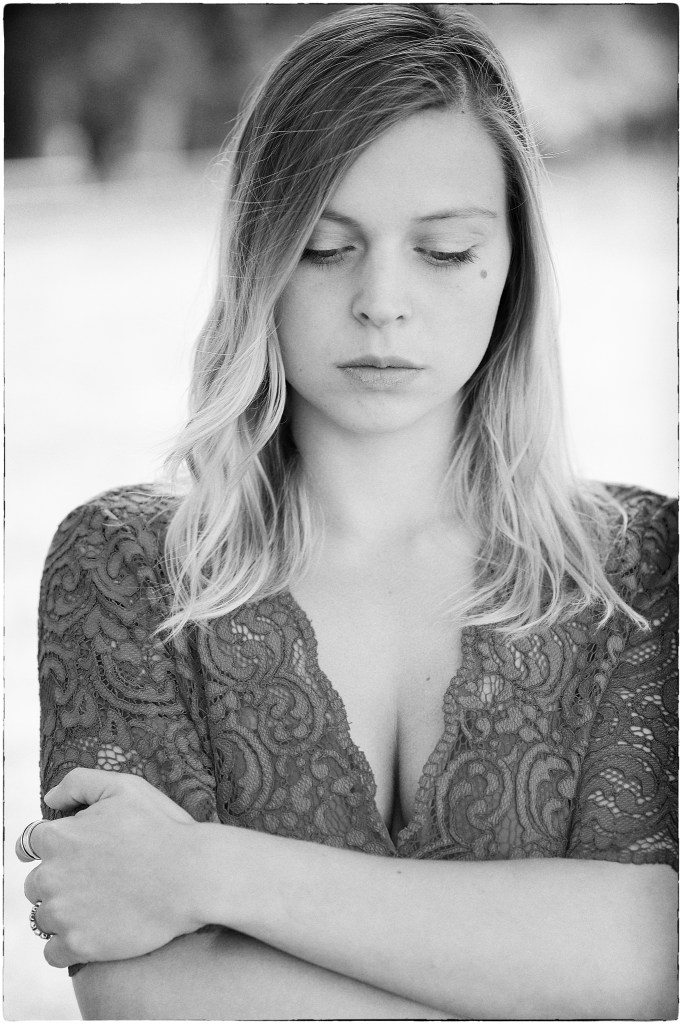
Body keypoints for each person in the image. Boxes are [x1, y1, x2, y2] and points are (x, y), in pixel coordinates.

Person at [17, 4, 677, 1019]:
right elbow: (148, 997)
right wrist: (542, 971)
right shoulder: (127, 565)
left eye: (443, 251)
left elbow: (652, 954)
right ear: (260, 257)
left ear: (514, 265)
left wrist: (203, 872)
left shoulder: (642, 568)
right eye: (327, 248)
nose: (381, 301)